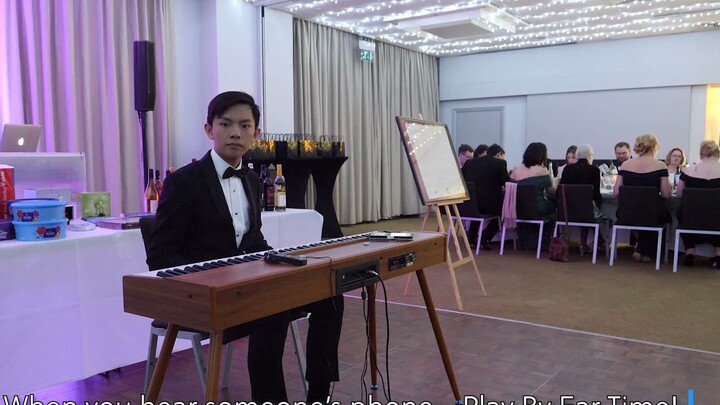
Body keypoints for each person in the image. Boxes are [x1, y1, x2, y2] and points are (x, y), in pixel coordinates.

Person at [146, 91, 343, 402]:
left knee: (329, 293)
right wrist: (210, 277)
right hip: (203, 293)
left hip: (246, 286)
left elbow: (252, 241)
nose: (235, 133)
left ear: (256, 133)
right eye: (225, 124)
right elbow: (160, 256)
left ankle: (319, 393)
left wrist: (276, 259)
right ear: (209, 130)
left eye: (244, 125)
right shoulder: (184, 182)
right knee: (272, 310)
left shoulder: (252, 180)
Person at [613, 134, 671, 263]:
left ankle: (641, 248)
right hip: (652, 213)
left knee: (642, 214)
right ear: (654, 147)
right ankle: (645, 250)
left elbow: (616, 192)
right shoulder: (660, 166)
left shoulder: (625, 165)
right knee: (656, 214)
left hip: (627, 212)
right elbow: (666, 194)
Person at [675, 140, 720, 268]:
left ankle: (689, 251)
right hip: (717, 219)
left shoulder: (688, 171)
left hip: (693, 218)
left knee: (683, 213)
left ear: (701, 154)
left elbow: (679, 194)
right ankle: (718, 253)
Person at [461, 144, 509, 249]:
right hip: (488, 206)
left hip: (467, 205)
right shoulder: (500, 163)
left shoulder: (469, 163)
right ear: (499, 154)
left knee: (476, 208)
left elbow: (461, 181)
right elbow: (507, 183)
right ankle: (484, 238)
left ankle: (472, 237)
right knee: (505, 213)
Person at [511, 142, 557, 250]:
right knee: (554, 205)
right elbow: (552, 191)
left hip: (518, 209)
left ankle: (525, 241)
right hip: (538, 208)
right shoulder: (542, 170)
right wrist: (555, 181)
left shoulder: (516, 171)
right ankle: (545, 243)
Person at [560, 144, 605, 252]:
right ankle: (598, 240)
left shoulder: (567, 169)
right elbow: (596, 195)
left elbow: (561, 190)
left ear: (577, 155)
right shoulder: (594, 170)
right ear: (590, 156)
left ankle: (586, 242)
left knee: (584, 207)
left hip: (568, 212)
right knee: (591, 207)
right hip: (587, 212)